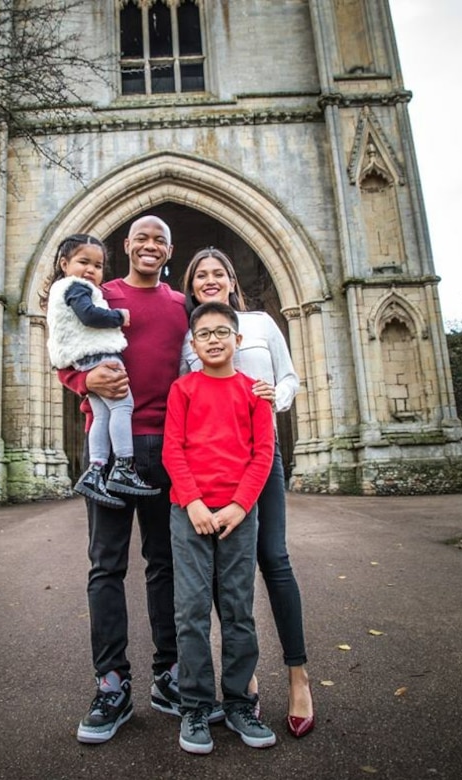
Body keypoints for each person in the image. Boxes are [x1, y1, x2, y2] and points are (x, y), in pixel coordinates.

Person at [56, 216, 190, 744]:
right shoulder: (96, 292)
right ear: (126, 246)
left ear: (168, 249)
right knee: (106, 566)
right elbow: (63, 345)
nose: (150, 245)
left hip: (166, 447)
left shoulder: (182, 305)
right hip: (112, 447)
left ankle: (169, 674)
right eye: (141, 238)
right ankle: (112, 683)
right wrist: (81, 379)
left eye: (160, 239)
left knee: (166, 563)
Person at [181, 247, 315, 739]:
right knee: (221, 575)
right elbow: (187, 395)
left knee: (273, 560)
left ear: (231, 279)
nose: (210, 280)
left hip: (261, 457)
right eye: (201, 276)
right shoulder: (189, 337)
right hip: (213, 468)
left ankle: (299, 678)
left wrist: (269, 400)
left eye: (218, 273)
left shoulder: (259, 323)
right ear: (192, 286)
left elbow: (288, 377)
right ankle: (244, 678)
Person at [163, 300, 276, 755]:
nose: (213, 338)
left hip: (237, 517)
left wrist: (238, 506)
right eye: (204, 333)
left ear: (237, 339)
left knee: (237, 610)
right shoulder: (183, 389)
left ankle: (238, 703)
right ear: (193, 344)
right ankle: (195, 705)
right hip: (189, 514)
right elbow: (173, 449)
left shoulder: (254, 392)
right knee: (190, 611)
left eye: (221, 331)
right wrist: (191, 501)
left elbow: (262, 455)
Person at [46, 233, 160, 508]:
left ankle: (95, 470)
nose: (91, 270)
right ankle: (123, 466)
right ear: (64, 263)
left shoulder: (65, 290)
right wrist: (118, 316)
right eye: (83, 262)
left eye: (97, 266)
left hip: (85, 357)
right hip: (100, 356)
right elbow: (89, 315)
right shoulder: (77, 288)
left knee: (101, 414)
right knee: (122, 407)